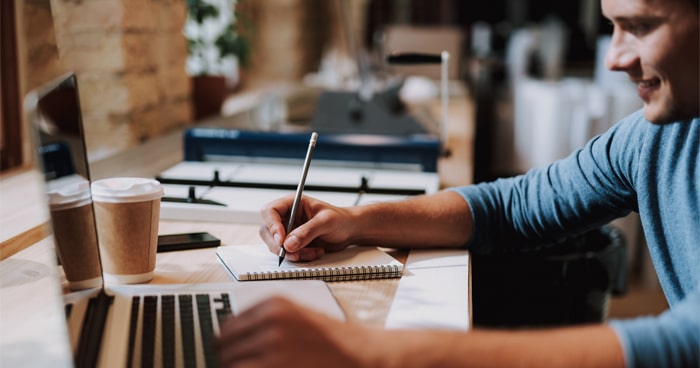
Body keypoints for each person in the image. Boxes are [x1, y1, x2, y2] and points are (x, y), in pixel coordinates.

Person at [215, 0, 700, 366]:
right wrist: (353, 221)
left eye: (639, 27)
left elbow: (681, 345)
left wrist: (363, 348)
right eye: (612, 26)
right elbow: (513, 208)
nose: (614, 58)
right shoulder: (654, 136)